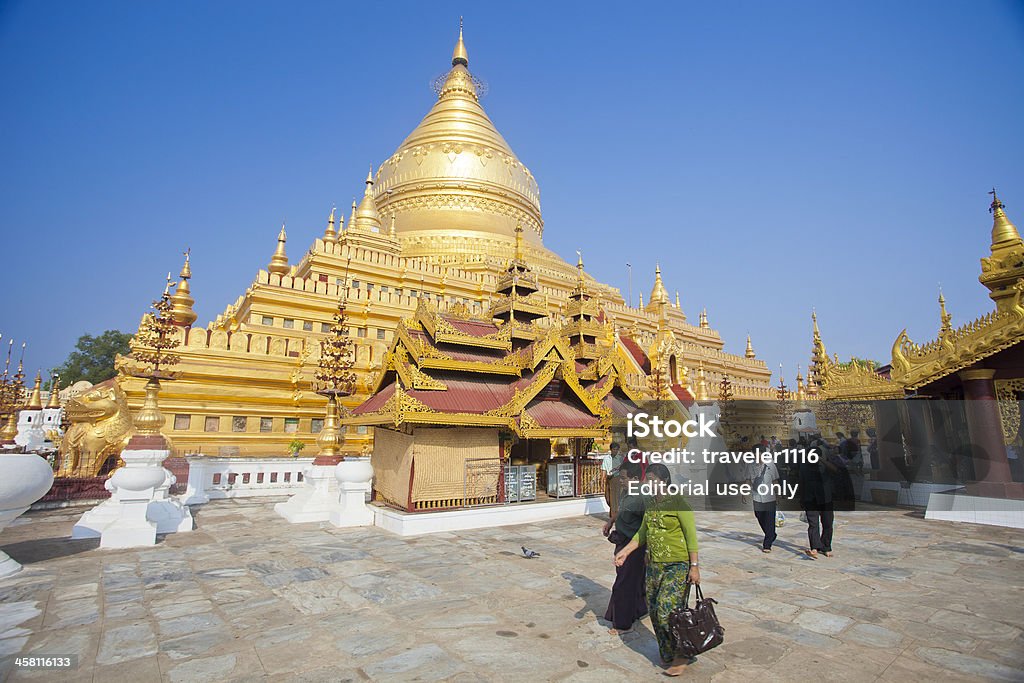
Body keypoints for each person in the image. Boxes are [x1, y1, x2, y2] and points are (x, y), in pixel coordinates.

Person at [614, 464, 700, 676]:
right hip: (654, 564)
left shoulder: (679, 503)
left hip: (677, 564)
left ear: (665, 481)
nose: (649, 484)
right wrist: (626, 551)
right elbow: (643, 532)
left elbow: (691, 536)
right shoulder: (651, 503)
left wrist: (695, 567)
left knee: (666, 609)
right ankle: (668, 651)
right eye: (648, 479)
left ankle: (682, 653)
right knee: (654, 609)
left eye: (653, 479)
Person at [602, 459, 647, 634]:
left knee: (624, 584)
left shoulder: (643, 497)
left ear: (635, 478)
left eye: (624, 478)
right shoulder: (626, 492)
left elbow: (647, 524)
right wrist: (610, 522)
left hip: (634, 544)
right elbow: (620, 509)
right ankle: (638, 610)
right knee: (632, 580)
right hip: (622, 539)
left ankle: (622, 624)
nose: (621, 481)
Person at [800, 439, 836, 558]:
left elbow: (835, 471)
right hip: (810, 499)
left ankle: (826, 546)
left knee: (827, 524)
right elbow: (802, 483)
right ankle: (814, 547)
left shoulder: (825, 466)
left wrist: (821, 460)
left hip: (826, 499)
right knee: (813, 524)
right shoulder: (805, 467)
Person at [745, 446, 780, 552]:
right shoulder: (750, 466)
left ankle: (767, 544)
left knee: (770, 519)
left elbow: (775, 481)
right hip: (756, 496)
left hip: (769, 497)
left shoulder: (770, 465)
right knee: (759, 516)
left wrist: (778, 495)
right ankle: (771, 534)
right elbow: (748, 479)